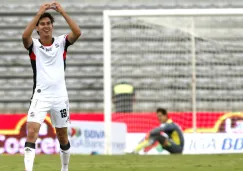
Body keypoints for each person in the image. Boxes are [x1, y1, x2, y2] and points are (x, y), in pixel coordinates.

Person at [22, 1, 81, 171]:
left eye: (48, 24)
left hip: (60, 97)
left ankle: (64, 168)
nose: (46, 26)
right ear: (37, 28)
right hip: (40, 96)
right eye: (42, 24)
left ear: (52, 26)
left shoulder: (62, 42)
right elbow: (24, 37)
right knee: (32, 132)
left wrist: (62, 11)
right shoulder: (33, 45)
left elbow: (77, 32)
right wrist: (39, 12)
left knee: (62, 136)